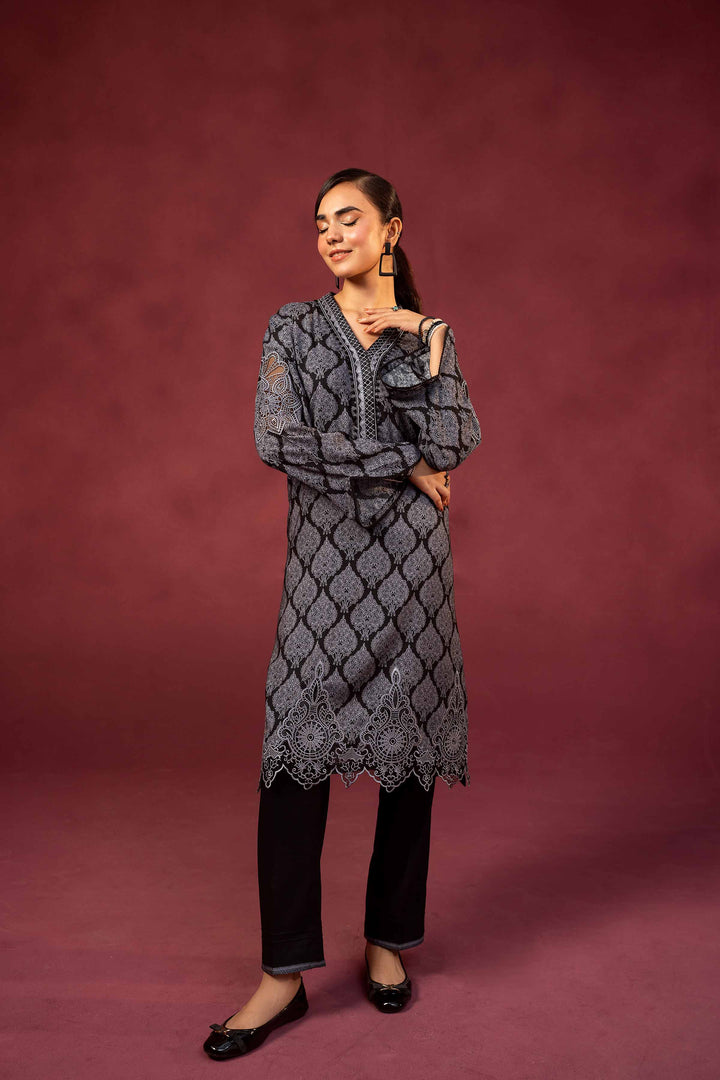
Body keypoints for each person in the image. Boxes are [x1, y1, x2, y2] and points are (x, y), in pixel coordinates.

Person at [203, 168, 482, 1061]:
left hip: (412, 575)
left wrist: (427, 342)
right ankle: (282, 976)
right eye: (321, 221)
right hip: (323, 581)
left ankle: (387, 942)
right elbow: (277, 439)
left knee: (410, 756)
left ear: (392, 229)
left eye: (349, 218)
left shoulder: (425, 336)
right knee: (294, 754)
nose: (330, 233)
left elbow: (456, 441)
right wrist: (403, 465)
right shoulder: (292, 327)